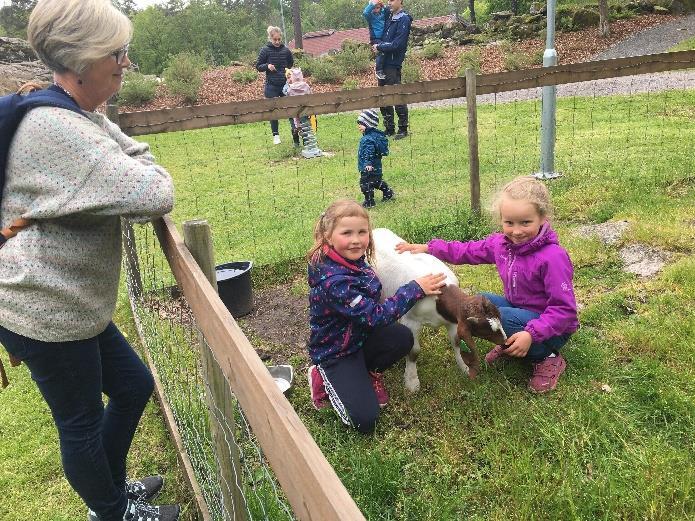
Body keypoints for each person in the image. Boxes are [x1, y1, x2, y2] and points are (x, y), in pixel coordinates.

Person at [0, 1, 179, 520]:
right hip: (45, 308)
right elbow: (153, 193)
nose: (125, 63)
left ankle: (113, 490)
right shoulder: (62, 130)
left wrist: (122, 145)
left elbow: (127, 162)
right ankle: (112, 511)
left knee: (133, 386)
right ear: (82, 61)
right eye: (116, 53)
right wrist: (136, 154)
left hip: (68, 301)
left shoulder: (74, 113)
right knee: (78, 421)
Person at [395, 176, 579, 393]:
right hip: (523, 310)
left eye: (525, 222)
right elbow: (467, 250)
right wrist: (430, 247)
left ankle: (547, 356)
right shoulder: (503, 244)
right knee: (478, 305)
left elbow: (565, 311)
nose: (516, 231)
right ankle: (510, 342)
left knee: (497, 318)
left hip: (553, 327)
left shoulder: (552, 257)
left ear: (542, 218)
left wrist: (531, 334)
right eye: (509, 223)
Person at [306, 200, 446, 433]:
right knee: (364, 420)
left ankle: (369, 372)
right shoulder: (335, 282)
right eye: (347, 233)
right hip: (337, 351)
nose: (356, 239)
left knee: (402, 337)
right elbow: (376, 317)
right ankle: (321, 375)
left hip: (360, 336)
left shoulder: (352, 261)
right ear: (328, 236)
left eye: (362, 232)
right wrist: (414, 289)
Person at [372, 0, 413, 139]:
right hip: (382, 63)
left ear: (400, 1)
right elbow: (381, 36)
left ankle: (403, 129)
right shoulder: (389, 18)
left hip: (393, 63)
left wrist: (380, 47)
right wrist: (378, 44)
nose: (389, 2)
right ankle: (389, 128)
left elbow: (398, 44)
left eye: (392, 0)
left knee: (396, 95)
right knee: (383, 96)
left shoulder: (404, 19)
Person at [256, 26, 294, 145]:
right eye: (275, 40)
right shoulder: (265, 50)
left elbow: (290, 63)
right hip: (271, 85)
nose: (277, 42)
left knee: (290, 108)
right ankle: (276, 135)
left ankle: (295, 132)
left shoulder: (286, 50)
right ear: (270, 38)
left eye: (279, 39)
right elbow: (258, 66)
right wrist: (267, 66)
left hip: (284, 85)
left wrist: (287, 73)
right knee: (272, 110)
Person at [356, 109, 394, 208]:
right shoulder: (377, 135)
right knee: (377, 181)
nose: (359, 126)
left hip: (368, 167)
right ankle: (388, 192)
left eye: (361, 123)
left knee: (365, 184)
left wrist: (367, 164)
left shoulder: (367, 139)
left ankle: (369, 202)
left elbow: (369, 152)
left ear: (368, 124)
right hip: (377, 165)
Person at [283, 67, 311, 147]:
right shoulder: (305, 85)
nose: (289, 79)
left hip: (294, 111)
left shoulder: (290, 88)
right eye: (288, 78)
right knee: (304, 124)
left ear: (293, 78)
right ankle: (305, 142)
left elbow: (287, 96)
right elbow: (310, 95)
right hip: (304, 110)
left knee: (295, 123)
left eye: (290, 77)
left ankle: (299, 142)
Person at [362, 0, 390, 80]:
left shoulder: (383, 13)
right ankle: (379, 71)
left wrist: (382, 4)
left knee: (387, 49)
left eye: (377, 8)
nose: (376, 10)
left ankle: (386, 68)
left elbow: (388, 10)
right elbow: (365, 13)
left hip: (384, 37)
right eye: (373, 8)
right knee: (381, 51)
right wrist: (372, 4)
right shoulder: (370, 16)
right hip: (375, 38)